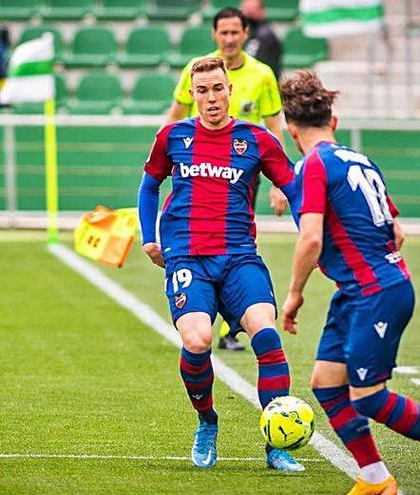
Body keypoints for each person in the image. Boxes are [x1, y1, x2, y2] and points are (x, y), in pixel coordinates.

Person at [279, 70, 420, 495]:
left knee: (368, 395)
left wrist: (295, 293)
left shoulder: (313, 165)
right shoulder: (360, 159)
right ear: (333, 123)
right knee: (327, 383)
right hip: (361, 290)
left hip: (376, 292)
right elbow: (397, 230)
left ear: (290, 129)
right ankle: (376, 479)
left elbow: (311, 237)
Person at [139, 57, 303, 472]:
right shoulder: (172, 136)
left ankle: (275, 446)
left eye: (217, 88)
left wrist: (311, 233)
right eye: (202, 91)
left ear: (231, 90)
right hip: (187, 258)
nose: (211, 98)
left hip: (239, 257)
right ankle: (207, 421)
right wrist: (149, 237)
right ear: (191, 94)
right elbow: (150, 184)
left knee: (266, 333)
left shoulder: (259, 140)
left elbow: (294, 189)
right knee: (197, 341)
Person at [166, 6, 287, 351]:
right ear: (214, 35)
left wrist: (279, 181)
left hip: (242, 167)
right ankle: (212, 314)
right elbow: (175, 115)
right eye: (224, 33)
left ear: (246, 34)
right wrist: (164, 154)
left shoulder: (263, 75)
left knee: (235, 237)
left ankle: (233, 319)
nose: (230, 39)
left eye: (236, 32)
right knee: (201, 239)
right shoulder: (198, 69)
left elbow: (274, 124)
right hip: (197, 165)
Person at [241, 0, 282, 79]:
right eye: (246, 9)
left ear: (262, 11)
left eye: (251, 10)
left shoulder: (265, 36)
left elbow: (263, 67)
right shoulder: (252, 33)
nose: (246, 13)